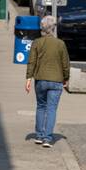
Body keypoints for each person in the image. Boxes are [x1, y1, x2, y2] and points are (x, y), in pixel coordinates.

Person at [25, 14, 70, 148]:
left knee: (40, 106)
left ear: (42, 28)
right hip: (56, 80)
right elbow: (65, 63)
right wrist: (66, 78)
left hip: (40, 80)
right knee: (51, 109)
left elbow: (31, 62)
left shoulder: (37, 43)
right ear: (53, 28)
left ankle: (39, 135)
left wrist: (28, 78)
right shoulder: (60, 44)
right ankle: (47, 138)